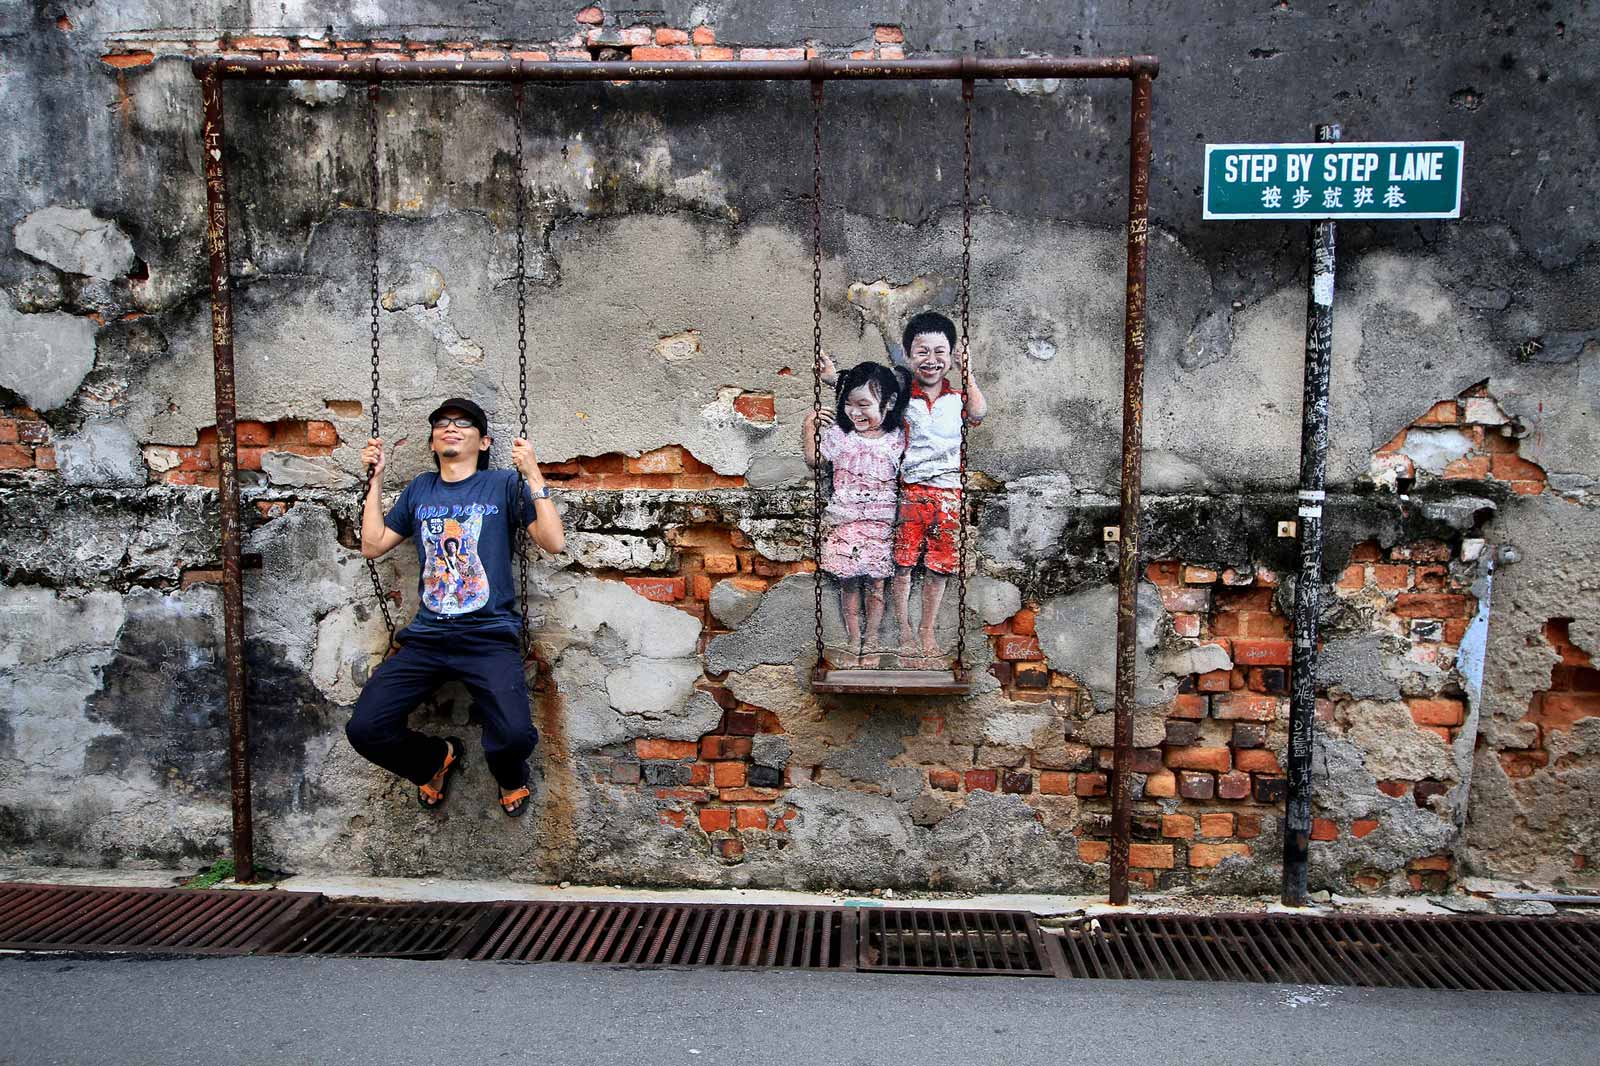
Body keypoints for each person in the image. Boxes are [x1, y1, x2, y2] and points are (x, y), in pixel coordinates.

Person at [346, 398, 565, 817]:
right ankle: (434, 759)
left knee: (517, 735)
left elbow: (554, 542)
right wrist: (375, 480)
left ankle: (507, 770)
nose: (451, 427)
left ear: (483, 441)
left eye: (463, 423)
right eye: (442, 423)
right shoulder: (420, 489)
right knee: (365, 729)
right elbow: (372, 546)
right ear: (432, 439)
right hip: (427, 639)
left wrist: (532, 472)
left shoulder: (503, 484)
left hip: (487, 636)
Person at [890, 311, 986, 664]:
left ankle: (927, 629)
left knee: (939, 566)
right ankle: (904, 630)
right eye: (922, 352)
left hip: (949, 494)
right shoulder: (901, 400)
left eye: (939, 352)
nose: (931, 360)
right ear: (907, 355)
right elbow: (862, 396)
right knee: (902, 564)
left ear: (952, 355)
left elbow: (979, 414)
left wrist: (968, 371)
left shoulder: (959, 399)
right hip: (910, 491)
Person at [802, 361, 911, 667]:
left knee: (877, 584)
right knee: (849, 583)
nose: (855, 412)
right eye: (849, 405)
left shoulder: (896, 439)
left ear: (888, 405)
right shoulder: (840, 435)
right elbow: (813, 461)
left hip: (881, 522)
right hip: (845, 521)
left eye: (864, 405)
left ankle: (873, 638)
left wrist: (833, 378)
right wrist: (809, 426)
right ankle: (853, 640)